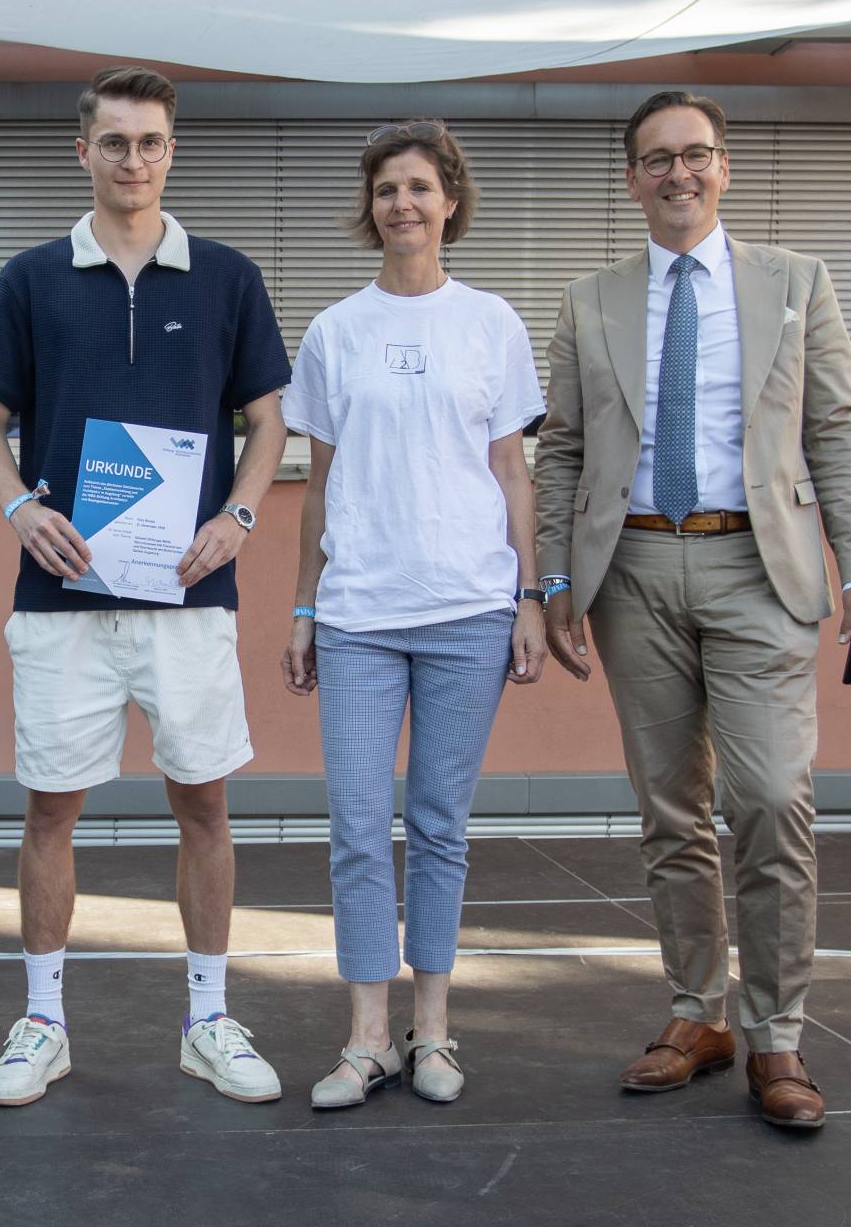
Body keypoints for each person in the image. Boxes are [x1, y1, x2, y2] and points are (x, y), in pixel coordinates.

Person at [533, 90, 851, 1129]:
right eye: (656, 159)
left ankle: (778, 1034)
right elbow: (562, 450)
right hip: (634, 571)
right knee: (672, 810)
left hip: (758, 568)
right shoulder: (589, 299)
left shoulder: (796, 283)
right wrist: (554, 578)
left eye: (695, 154)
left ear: (724, 167)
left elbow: (836, 432)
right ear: (631, 179)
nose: (677, 173)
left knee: (772, 798)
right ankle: (700, 1013)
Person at [0, 66, 292, 1107]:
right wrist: (21, 508)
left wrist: (239, 518)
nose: (133, 159)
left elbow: (268, 422)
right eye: (114, 142)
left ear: (172, 152)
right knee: (49, 813)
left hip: (189, 594)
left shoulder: (229, 277)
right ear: (83, 152)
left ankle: (208, 1021)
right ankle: (44, 1022)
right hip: (62, 595)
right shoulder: (30, 278)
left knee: (206, 806)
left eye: (150, 142)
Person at [280, 121, 547, 1110]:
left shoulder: (491, 323)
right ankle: (367, 1039)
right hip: (358, 612)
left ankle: (432, 1030)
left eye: (420, 187)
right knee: (357, 827)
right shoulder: (335, 331)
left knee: (439, 825)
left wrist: (529, 596)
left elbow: (512, 470)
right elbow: (317, 486)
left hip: (470, 609)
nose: (403, 203)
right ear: (371, 206)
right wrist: (304, 607)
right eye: (387, 188)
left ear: (450, 202)